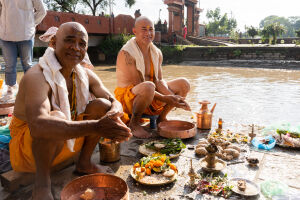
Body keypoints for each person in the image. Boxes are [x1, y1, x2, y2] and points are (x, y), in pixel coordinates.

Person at [9, 22, 132, 200]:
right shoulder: (36, 76)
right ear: (53, 43)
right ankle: (42, 184)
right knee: (56, 117)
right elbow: (38, 126)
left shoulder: (84, 73)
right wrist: (97, 126)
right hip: (29, 151)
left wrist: (113, 116)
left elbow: (114, 101)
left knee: (102, 105)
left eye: (81, 44)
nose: (75, 48)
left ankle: (84, 163)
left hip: (66, 141)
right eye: (69, 41)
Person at [115, 16, 191, 138]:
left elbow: (159, 80)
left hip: (151, 92)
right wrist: (167, 99)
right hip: (130, 98)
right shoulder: (127, 53)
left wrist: (172, 97)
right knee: (148, 86)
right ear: (134, 31)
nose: (148, 33)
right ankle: (134, 124)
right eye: (144, 29)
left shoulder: (156, 52)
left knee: (184, 84)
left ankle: (161, 118)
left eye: (151, 29)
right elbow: (138, 85)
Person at [0, 0, 46, 97]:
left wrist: (31, 23)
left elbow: (42, 11)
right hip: (6, 36)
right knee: (9, 65)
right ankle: (11, 87)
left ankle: (29, 88)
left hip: (26, 36)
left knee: (27, 65)